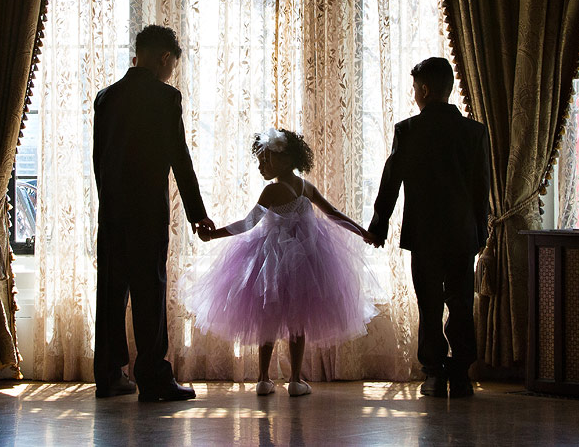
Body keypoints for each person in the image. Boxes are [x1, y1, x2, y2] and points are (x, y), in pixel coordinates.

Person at [186, 128, 378, 397]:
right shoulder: (304, 187)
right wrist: (364, 232)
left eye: (267, 160)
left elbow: (248, 224)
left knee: (270, 320)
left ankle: (265, 379)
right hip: (300, 263)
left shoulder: (274, 191)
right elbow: (333, 214)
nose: (261, 166)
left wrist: (213, 235)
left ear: (287, 159)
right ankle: (294, 380)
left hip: (273, 263)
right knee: (296, 323)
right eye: (260, 161)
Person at [93, 25, 216, 402]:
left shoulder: (105, 97)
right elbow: (179, 158)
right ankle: (154, 379)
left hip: (112, 212)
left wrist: (108, 203)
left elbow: (99, 159)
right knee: (150, 294)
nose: (170, 74)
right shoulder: (165, 98)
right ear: (164, 59)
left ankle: (109, 376)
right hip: (147, 213)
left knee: (111, 294)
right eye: (171, 67)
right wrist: (197, 214)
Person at [367, 57, 491, 398]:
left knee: (430, 305)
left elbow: (390, 182)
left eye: (415, 89)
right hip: (463, 235)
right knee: (462, 304)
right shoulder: (475, 132)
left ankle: (434, 375)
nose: (415, 96)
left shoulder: (409, 131)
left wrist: (379, 228)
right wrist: (480, 233)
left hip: (424, 236)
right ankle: (462, 376)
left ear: (424, 89)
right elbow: (483, 189)